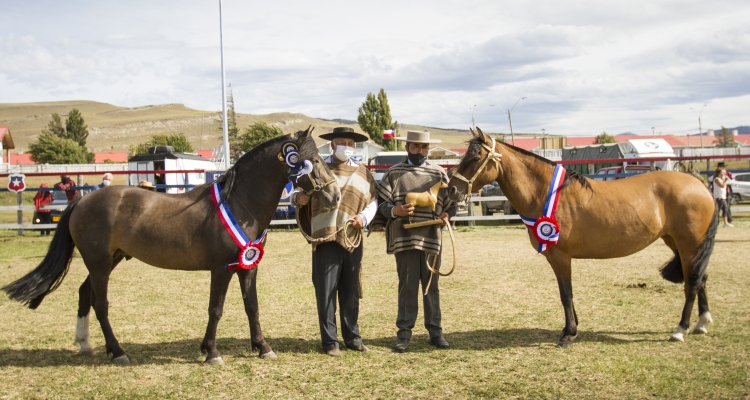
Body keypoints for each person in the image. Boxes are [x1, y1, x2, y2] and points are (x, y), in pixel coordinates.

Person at [293, 127, 378, 357]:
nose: (346, 146)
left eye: (350, 142)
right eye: (342, 142)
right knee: (326, 291)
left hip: (352, 237)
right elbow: (297, 193)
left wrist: (363, 217)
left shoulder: (363, 173)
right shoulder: (317, 169)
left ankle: (353, 337)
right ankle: (330, 342)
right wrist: (299, 198)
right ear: (332, 145)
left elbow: (373, 201)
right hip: (325, 237)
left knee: (350, 291)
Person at [372, 130, 455, 353]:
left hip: (431, 238)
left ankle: (435, 332)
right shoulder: (394, 174)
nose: (420, 151)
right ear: (407, 147)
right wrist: (395, 210)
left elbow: (450, 203)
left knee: (431, 287)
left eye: (424, 147)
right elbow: (381, 205)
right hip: (404, 238)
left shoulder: (439, 174)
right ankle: (404, 334)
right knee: (407, 287)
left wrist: (448, 214)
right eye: (416, 147)